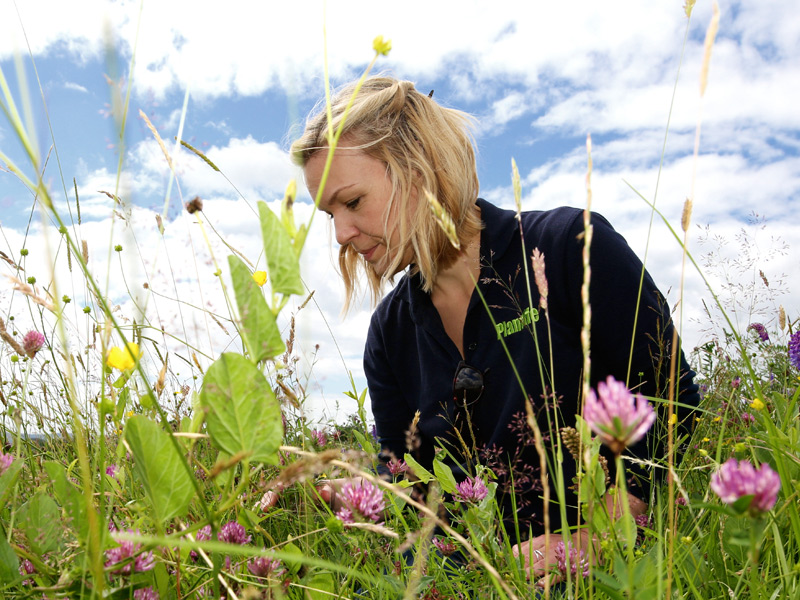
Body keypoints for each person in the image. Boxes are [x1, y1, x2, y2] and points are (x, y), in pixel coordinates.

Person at [288, 76, 699, 585]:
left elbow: (673, 400)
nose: (341, 234)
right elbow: (407, 480)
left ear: (420, 171)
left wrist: (603, 533)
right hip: (474, 579)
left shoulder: (571, 248)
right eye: (329, 213)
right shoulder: (389, 333)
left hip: (623, 573)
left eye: (352, 202)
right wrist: (343, 488)